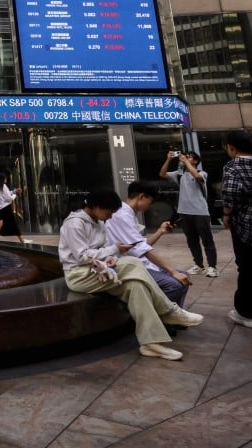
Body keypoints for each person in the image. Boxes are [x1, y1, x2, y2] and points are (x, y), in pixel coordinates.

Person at [58, 188, 204, 361]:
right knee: (133, 262)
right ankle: (169, 310)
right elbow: (82, 256)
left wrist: (112, 257)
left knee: (136, 286)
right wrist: (114, 250)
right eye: (109, 212)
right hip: (79, 275)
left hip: (101, 271)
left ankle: (151, 344)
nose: (111, 217)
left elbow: (104, 250)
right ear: (96, 207)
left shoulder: (100, 222)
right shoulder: (74, 223)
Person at [104, 181, 190, 306]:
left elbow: (140, 244)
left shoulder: (129, 214)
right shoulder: (122, 215)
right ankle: (162, 316)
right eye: (151, 201)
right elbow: (142, 249)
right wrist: (173, 271)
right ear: (141, 196)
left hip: (140, 263)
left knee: (184, 276)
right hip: (128, 266)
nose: (150, 206)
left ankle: (175, 316)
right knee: (174, 284)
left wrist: (160, 231)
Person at [160, 150, 218, 277]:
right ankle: (199, 265)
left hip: (200, 212)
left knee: (207, 240)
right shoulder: (179, 175)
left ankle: (212, 267)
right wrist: (169, 159)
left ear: (196, 161)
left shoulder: (202, 173)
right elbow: (162, 174)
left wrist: (185, 161)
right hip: (184, 212)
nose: (185, 158)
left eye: (189, 157)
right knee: (192, 241)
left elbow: (197, 178)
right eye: (185, 156)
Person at [221, 131, 252, 328]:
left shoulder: (234, 166)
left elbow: (231, 193)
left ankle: (246, 312)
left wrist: (226, 214)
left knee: (247, 267)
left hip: (246, 225)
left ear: (231, 148)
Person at [0, 173, 24, 242]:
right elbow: (9, 198)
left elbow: (6, 193)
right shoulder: (4, 186)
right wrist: (16, 194)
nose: (6, 179)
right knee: (14, 223)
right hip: (6, 208)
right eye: (5, 178)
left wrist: (14, 191)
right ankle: (22, 240)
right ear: (3, 180)